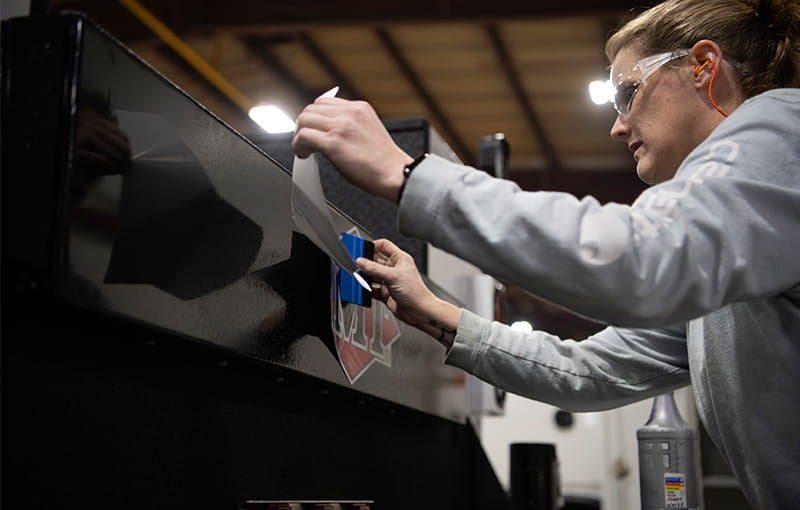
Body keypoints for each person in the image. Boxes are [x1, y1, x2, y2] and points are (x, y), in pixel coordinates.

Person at [292, 0, 800, 507]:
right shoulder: (729, 251)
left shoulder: (785, 126)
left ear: (705, 67)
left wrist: (404, 175)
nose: (618, 127)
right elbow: (591, 370)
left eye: (629, 93)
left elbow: (641, 260)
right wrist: (440, 316)